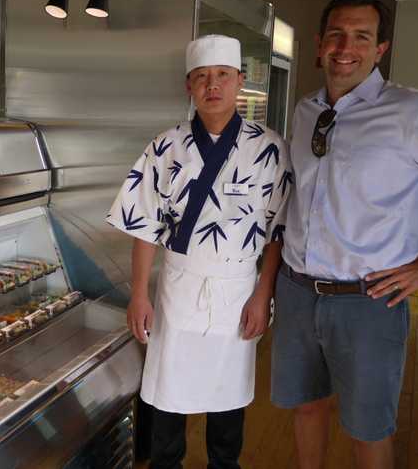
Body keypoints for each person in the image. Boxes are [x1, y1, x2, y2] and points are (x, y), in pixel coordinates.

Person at [272, 0, 418, 469]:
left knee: (367, 427)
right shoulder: (305, 109)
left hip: (369, 299)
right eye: (336, 34)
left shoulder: (412, 111)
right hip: (296, 291)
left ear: (380, 49)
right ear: (319, 43)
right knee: (305, 405)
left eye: (361, 36)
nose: (345, 47)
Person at [106, 35, 291, 469]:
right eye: (202, 77)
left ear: (240, 82)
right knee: (169, 391)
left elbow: (277, 231)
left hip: (238, 287)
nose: (213, 85)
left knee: (228, 394)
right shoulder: (164, 147)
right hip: (179, 287)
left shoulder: (268, 148)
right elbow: (144, 226)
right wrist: (139, 294)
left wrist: (264, 295)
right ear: (189, 86)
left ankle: (224, 465)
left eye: (223, 75)